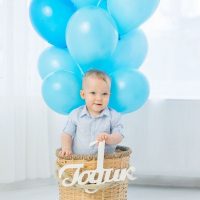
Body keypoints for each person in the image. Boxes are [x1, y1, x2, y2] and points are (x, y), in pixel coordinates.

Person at [59, 69, 124, 157]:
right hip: (79, 160)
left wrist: (110, 138)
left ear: (109, 95)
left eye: (104, 94)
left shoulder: (113, 116)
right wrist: (66, 148)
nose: (99, 98)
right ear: (83, 94)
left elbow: (119, 135)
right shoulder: (76, 114)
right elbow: (67, 134)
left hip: (105, 162)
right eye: (93, 93)